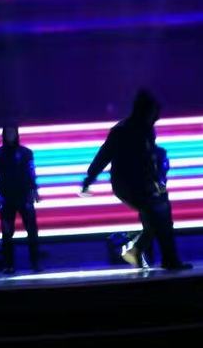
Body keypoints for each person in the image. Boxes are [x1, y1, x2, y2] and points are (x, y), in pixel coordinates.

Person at [81, 89, 191, 271]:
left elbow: (147, 158)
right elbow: (104, 155)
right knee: (158, 213)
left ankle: (139, 251)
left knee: (158, 216)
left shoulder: (146, 130)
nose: (156, 118)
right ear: (145, 111)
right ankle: (160, 257)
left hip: (144, 183)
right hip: (127, 184)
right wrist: (89, 179)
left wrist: (158, 175)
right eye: (154, 113)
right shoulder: (122, 131)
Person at [0, 124, 41, 274]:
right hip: (6, 198)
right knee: (7, 233)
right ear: (4, 134)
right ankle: (9, 265)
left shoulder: (26, 153)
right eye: (8, 132)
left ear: (17, 134)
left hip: (24, 196)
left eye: (13, 132)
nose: (10, 135)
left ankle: (35, 263)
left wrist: (34, 190)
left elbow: (31, 173)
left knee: (32, 230)